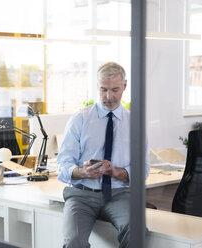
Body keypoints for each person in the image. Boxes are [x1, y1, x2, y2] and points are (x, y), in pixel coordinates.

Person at [56, 62, 150, 248]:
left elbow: (143, 169)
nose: (109, 97)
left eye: (115, 89)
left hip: (119, 194)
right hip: (81, 194)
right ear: (97, 87)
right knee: (74, 242)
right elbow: (63, 163)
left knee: (137, 231)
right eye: (103, 90)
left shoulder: (135, 123)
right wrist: (83, 172)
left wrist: (116, 172)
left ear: (124, 86)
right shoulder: (80, 119)